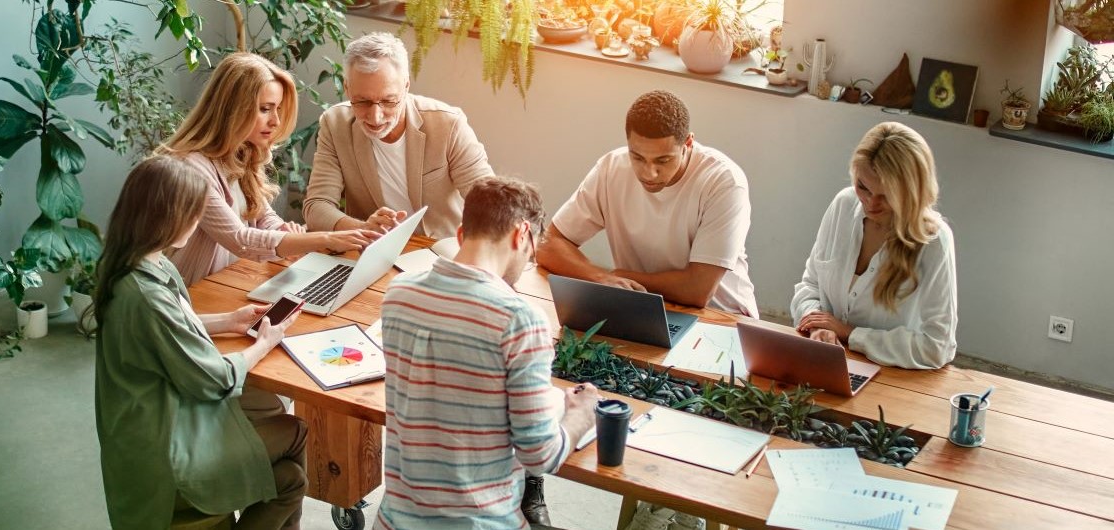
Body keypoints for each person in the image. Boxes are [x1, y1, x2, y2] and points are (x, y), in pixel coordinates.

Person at [93, 155, 307, 530]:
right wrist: (264, 343)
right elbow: (215, 380)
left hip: (142, 438)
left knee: (288, 473)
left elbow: (162, 328)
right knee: (293, 453)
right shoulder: (147, 293)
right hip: (169, 455)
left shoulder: (131, 265)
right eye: (192, 213)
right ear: (167, 217)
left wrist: (230, 320)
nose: (197, 223)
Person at [376, 176, 600, 530]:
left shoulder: (398, 293)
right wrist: (581, 415)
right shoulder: (520, 320)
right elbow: (542, 456)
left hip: (393, 521)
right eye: (530, 252)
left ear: (462, 233)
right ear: (521, 234)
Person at [162, 52, 379, 287]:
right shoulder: (191, 169)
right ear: (232, 110)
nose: (275, 121)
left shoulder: (241, 153)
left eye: (277, 109)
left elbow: (263, 216)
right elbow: (240, 239)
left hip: (233, 281)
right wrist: (325, 239)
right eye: (265, 109)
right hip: (194, 294)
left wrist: (284, 231)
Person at [537, 90, 759, 317]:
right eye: (638, 158)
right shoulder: (611, 169)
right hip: (644, 308)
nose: (649, 173)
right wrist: (601, 278)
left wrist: (621, 277)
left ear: (688, 143)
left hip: (722, 319)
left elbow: (698, 290)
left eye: (663, 160)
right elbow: (548, 245)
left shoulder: (724, 182)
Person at [791, 122, 957, 369]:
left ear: (911, 192)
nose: (870, 203)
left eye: (886, 195)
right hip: (823, 362)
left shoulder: (933, 242)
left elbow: (938, 347)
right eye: (863, 187)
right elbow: (810, 286)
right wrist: (818, 327)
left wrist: (850, 333)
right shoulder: (843, 205)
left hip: (892, 379)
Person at [303, 32, 496, 239]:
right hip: (373, 250)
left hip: (439, 249)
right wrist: (363, 228)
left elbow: (491, 201)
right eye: (362, 102)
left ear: (406, 86)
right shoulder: (335, 124)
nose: (375, 118)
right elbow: (317, 205)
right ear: (347, 88)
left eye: (388, 101)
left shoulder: (448, 125)